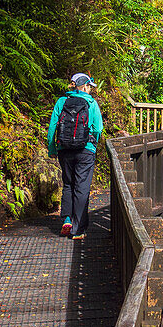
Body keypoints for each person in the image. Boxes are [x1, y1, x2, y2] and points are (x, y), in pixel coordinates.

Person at [47, 73, 103, 239]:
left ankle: (67, 219)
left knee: (68, 184)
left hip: (64, 149)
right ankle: (77, 230)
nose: (90, 90)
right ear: (85, 86)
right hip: (85, 150)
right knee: (82, 187)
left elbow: (52, 128)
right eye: (89, 87)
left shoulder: (61, 102)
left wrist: (52, 148)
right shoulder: (91, 103)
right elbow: (98, 129)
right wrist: (92, 143)